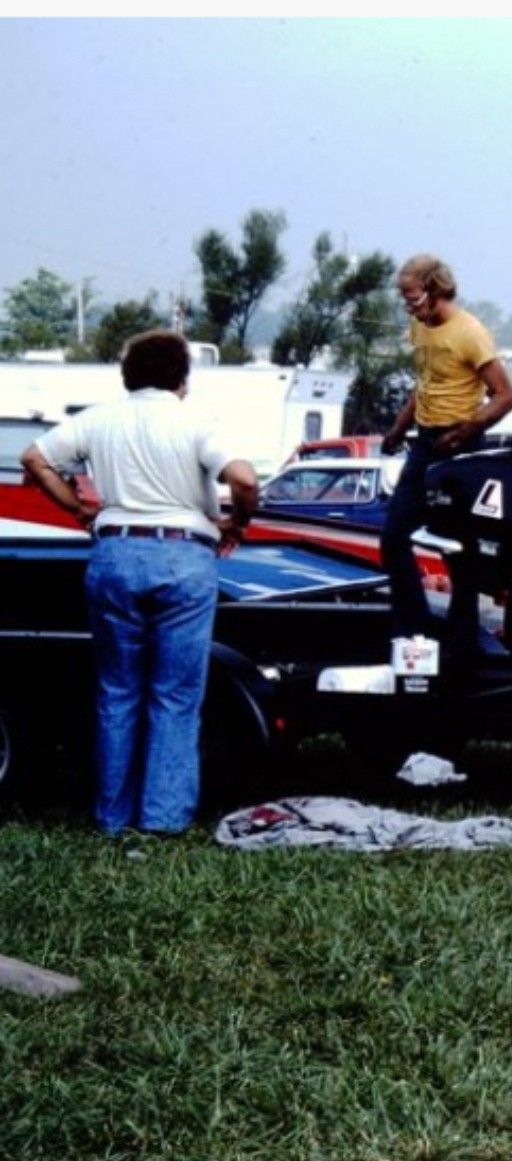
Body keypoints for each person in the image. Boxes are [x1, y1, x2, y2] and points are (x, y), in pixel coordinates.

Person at [21, 330, 259, 836]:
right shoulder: (196, 422)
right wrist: (238, 522)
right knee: (174, 694)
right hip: (183, 555)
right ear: (183, 378)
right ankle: (162, 818)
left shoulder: (99, 419)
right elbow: (244, 480)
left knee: (117, 690)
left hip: (115, 553)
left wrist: (75, 506)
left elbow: (34, 459)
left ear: (128, 375)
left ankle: (112, 815)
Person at [380, 254, 512, 677]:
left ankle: (462, 647)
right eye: (404, 298)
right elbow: (426, 384)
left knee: (462, 552)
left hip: (462, 443)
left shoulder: (470, 333)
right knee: (393, 537)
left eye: (413, 296)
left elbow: (505, 396)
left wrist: (465, 430)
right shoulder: (418, 327)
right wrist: (398, 429)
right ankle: (416, 629)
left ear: (435, 288)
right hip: (425, 440)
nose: (409, 305)